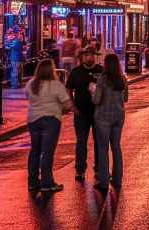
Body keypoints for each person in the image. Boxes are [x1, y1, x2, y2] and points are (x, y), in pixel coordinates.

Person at [26, 59, 73, 192]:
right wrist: (63, 109)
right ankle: (47, 182)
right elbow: (68, 104)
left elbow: (28, 97)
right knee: (47, 151)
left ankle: (32, 181)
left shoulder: (30, 83)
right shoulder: (55, 85)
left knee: (35, 150)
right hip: (51, 119)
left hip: (33, 120)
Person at [65, 46, 103, 182]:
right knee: (81, 143)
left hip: (98, 113)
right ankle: (80, 170)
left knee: (99, 143)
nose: (88, 58)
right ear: (82, 57)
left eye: (90, 55)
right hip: (81, 113)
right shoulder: (76, 72)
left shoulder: (101, 71)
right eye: (85, 55)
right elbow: (68, 89)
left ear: (95, 56)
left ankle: (99, 169)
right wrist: (72, 107)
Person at [92, 53, 128, 191]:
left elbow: (97, 100)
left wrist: (92, 92)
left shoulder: (102, 80)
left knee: (103, 149)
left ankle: (103, 181)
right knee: (116, 147)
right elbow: (125, 99)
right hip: (118, 116)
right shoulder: (122, 79)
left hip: (103, 117)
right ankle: (117, 179)